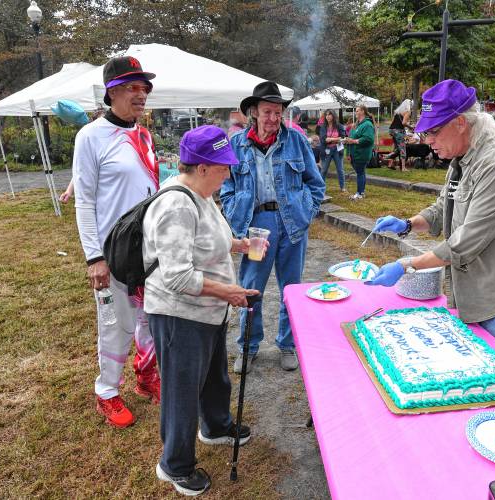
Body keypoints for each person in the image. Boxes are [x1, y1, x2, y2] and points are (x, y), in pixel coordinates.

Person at [366, 79, 495, 369]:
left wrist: (406, 265)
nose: (428, 141)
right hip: (472, 290)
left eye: (434, 131)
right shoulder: (461, 159)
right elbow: (443, 208)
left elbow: (468, 239)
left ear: (461, 122)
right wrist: (406, 224)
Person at [143, 125, 263, 496]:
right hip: (180, 313)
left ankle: (214, 425)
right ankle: (174, 465)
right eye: (223, 166)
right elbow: (176, 276)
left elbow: (211, 240)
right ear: (202, 166)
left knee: (214, 376)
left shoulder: (203, 196)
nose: (228, 172)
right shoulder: (176, 205)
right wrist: (228, 292)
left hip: (208, 310)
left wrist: (241, 245)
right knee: (181, 391)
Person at [72, 56, 161, 428]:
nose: (141, 95)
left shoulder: (143, 134)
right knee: (115, 324)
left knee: (148, 318)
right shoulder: (90, 136)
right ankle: (106, 392)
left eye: (144, 88)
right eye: (133, 88)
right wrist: (95, 257)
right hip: (113, 252)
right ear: (112, 92)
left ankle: (144, 377)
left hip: (146, 248)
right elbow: (85, 200)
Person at [220, 81, 325, 373]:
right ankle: (248, 346)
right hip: (256, 227)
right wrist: (233, 212)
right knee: (252, 287)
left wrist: (306, 212)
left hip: (292, 223)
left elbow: (315, 183)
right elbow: (226, 187)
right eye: (267, 112)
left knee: (291, 288)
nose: (273, 118)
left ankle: (288, 344)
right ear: (253, 112)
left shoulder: (296, 141)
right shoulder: (236, 145)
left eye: (278, 112)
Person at [344, 105, 375, 200]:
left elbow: (368, 139)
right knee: (361, 173)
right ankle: (361, 192)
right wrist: (348, 153)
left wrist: (353, 141)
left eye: (357, 111)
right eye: (356, 111)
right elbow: (351, 137)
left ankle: (359, 193)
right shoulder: (356, 125)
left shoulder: (367, 125)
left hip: (362, 154)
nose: (355, 113)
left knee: (360, 173)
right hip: (354, 153)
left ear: (363, 112)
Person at [318, 109, 347, 191]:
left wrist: (330, 139)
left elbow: (342, 138)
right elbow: (323, 139)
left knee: (340, 169)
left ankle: (343, 187)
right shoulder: (323, 126)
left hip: (337, 150)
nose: (328, 116)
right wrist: (335, 139)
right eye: (326, 115)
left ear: (333, 115)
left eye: (329, 114)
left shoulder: (339, 126)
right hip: (327, 150)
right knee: (324, 170)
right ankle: (321, 188)